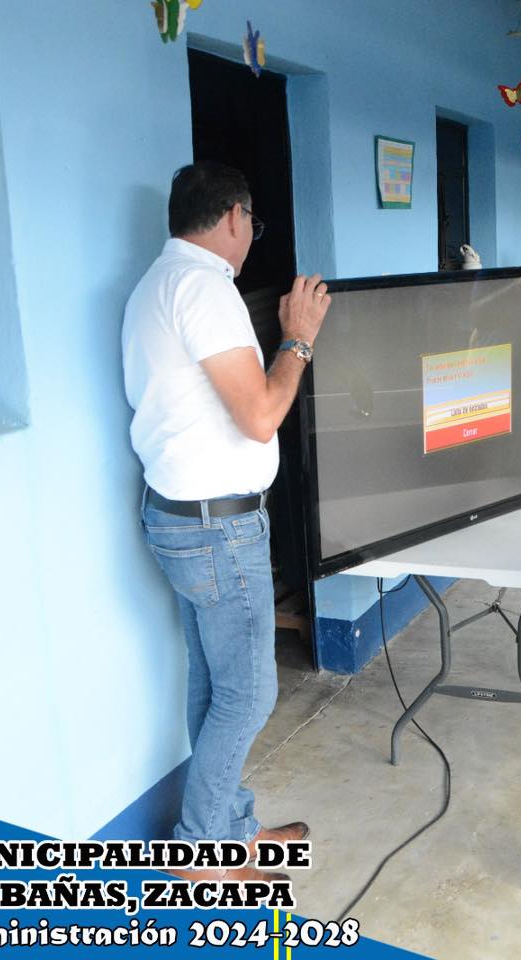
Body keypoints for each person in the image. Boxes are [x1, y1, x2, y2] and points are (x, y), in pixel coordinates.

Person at [122, 162, 330, 880]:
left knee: (214, 687)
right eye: (252, 224)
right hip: (216, 527)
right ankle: (202, 851)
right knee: (248, 693)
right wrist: (298, 337)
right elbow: (261, 415)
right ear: (235, 216)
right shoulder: (203, 287)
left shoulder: (156, 283)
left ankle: (229, 826)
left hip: (179, 516)